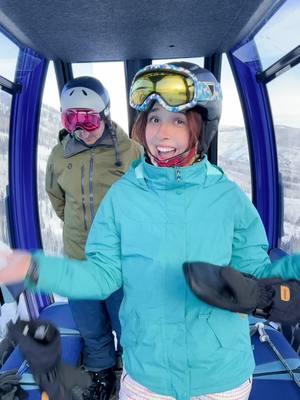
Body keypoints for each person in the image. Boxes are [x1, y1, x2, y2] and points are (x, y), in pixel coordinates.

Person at [1, 62, 300, 400]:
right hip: (147, 378)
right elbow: (100, 275)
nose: (162, 135)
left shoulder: (228, 199)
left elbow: (260, 274)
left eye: (178, 120)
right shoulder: (122, 198)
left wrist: (275, 287)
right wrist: (30, 267)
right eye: (154, 119)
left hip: (221, 377)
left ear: (201, 128)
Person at [45, 76, 143, 399]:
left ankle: (134, 370)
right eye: (70, 118)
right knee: (91, 327)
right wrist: (78, 230)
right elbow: (57, 199)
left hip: (117, 262)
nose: (80, 128)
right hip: (79, 263)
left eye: (87, 118)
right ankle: (102, 372)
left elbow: (146, 200)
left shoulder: (130, 152)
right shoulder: (59, 157)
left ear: (105, 115)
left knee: (125, 322)